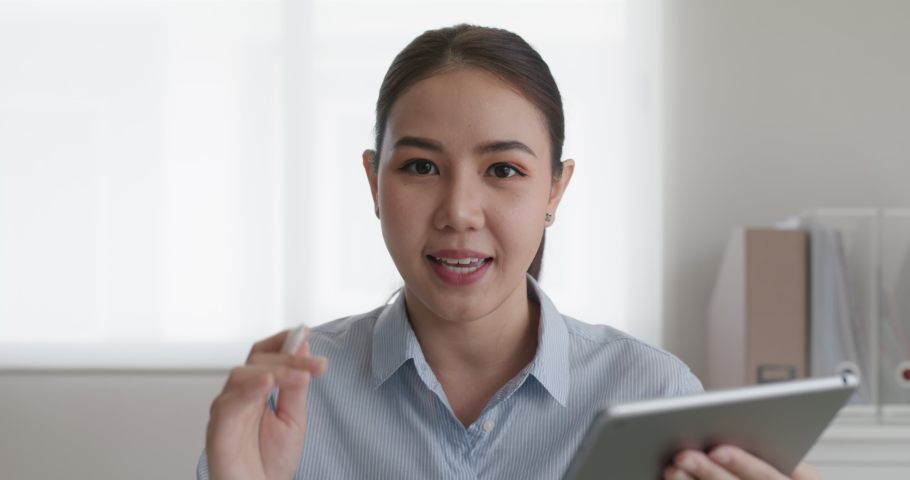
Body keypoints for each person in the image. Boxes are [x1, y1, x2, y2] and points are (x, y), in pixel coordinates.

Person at [198, 24, 821, 480]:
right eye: (420, 165)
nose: (459, 212)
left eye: (502, 169)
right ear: (373, 183)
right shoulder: (289, 401)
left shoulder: (655, 394)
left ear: (555, 189)